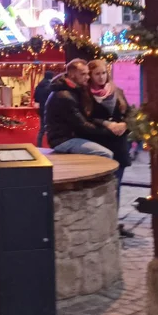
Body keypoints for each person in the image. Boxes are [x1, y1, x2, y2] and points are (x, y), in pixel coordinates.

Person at [86, 60, 134, 238]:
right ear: (91, 76)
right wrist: (107, 125)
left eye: (103, 73)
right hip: (99, 146)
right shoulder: (86, 95)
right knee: (101, 188)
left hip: (118, 145)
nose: (101, 77)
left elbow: (129, 115)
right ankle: (101, 225)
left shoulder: (117, 91)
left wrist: (124, 125)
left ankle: (114, 224)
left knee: (117, 186)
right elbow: (86, 120)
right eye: (97, 74)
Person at [45, 59, 124, 156]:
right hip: (63, 140)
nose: (87, 77)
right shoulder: (64, 95)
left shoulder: (74, 91)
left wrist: (109, 125)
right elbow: (82, 124)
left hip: (70, 137)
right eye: (83, 74)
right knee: (105, 153)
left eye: (88, 74)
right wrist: (111, 131)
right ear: (72, 74)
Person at [33, 71, 55, 148]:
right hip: (50, 109)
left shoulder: (39, 86)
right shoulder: (50, 86)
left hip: (41, 108)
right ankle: (51, 144)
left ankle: (39, 145)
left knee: (42, 128)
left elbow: (36, 98)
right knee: (51, 128)